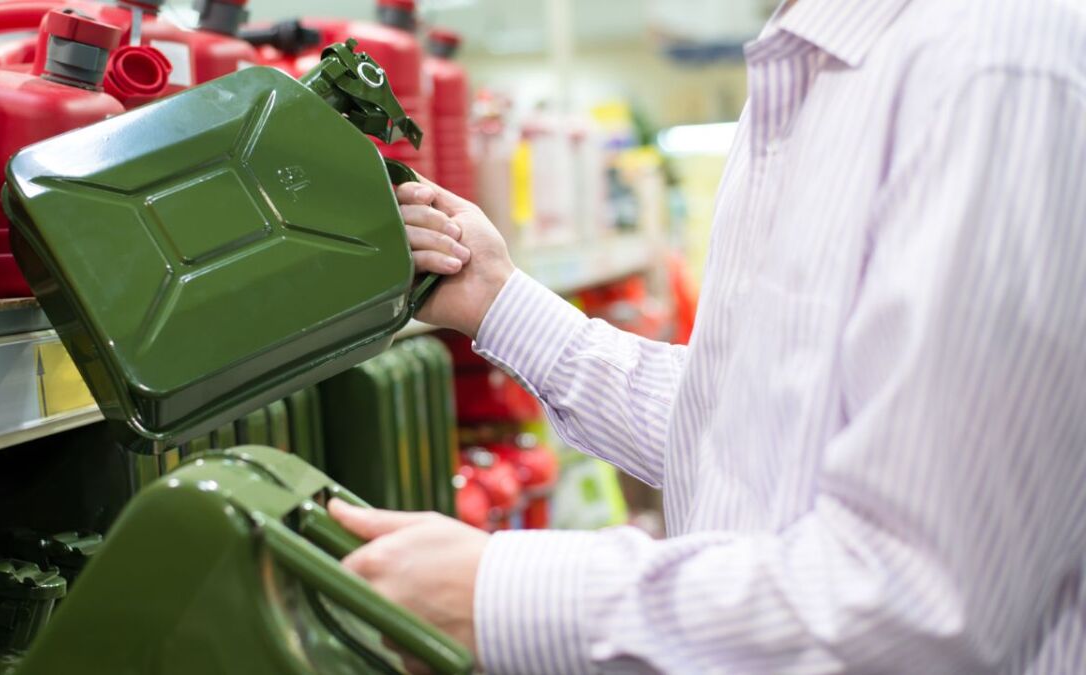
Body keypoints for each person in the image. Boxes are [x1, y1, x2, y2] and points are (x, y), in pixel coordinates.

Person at [327, 0, 1086, 671]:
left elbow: (916, 597)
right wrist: (498, 302)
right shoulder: (811, 71)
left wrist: (500, 593)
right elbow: (745, 433)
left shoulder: (992, 62)